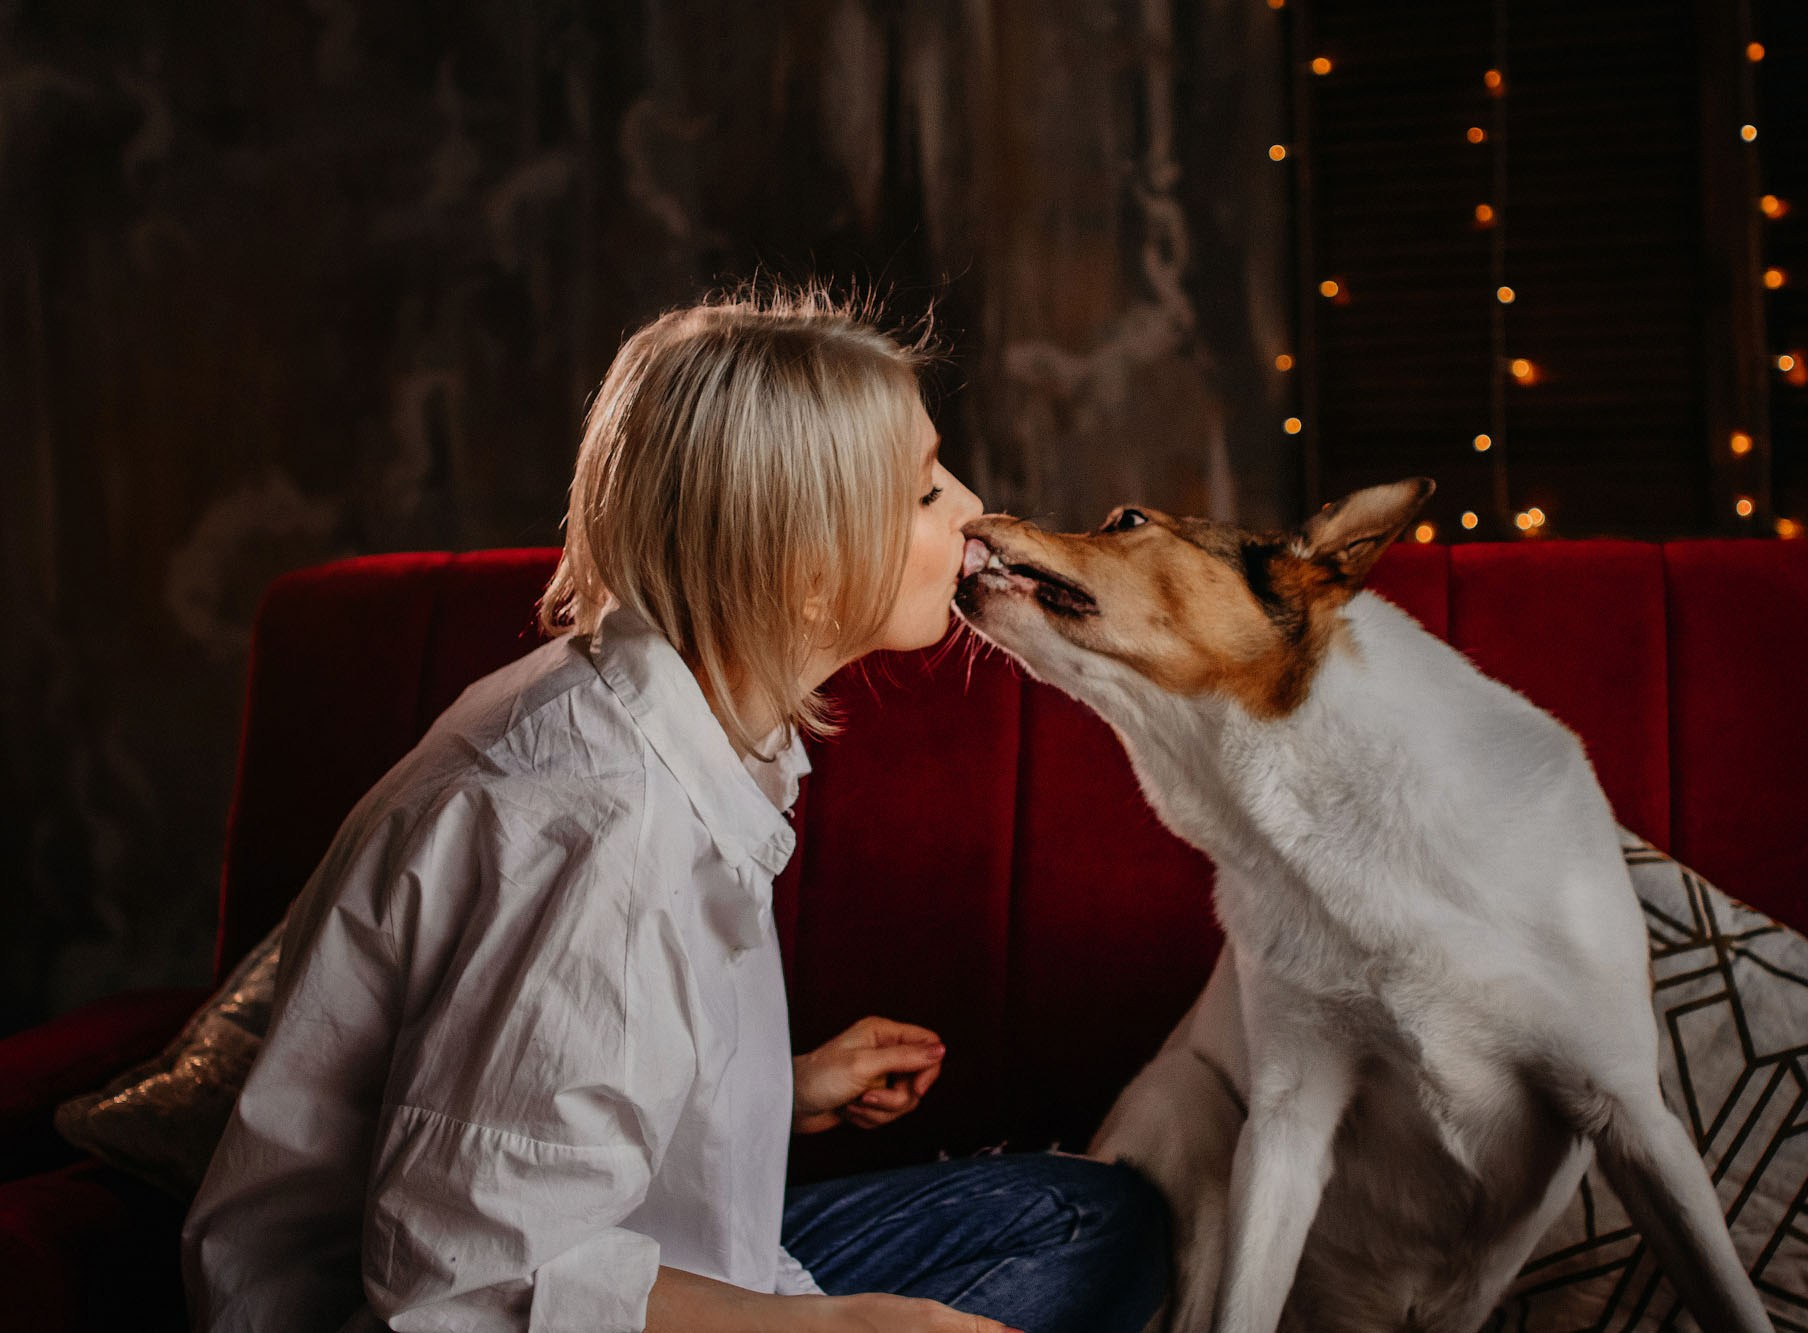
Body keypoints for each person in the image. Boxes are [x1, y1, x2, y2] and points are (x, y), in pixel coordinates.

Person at [181, 288, 1169, 1333]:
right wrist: (843, 1329)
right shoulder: (606, 827)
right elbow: (459, 1291)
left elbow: (544, 1065)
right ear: (808, 570)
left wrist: (773, 1089)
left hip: (594, 1246)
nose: (971, 511)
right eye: (925, 492)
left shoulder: (645, 704)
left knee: (1092, 1219)